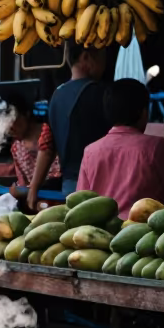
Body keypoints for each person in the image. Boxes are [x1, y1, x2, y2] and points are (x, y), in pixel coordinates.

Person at [77, 79, 164, 217]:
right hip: (145, 235)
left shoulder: (90, 151)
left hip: (100, 234)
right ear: (144, 113)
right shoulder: (157, 147)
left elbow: (81, 203)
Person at [28, 47, 110, 208]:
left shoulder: (56, 95)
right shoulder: (102, 93)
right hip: (102, 183)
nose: (105, 64)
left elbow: (46, 146)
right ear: (86, 57)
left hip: (70, 186)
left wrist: (34, 187)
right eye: (101, 57)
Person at [7, 102, 60, 201]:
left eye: (11, 120)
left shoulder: (50, 132)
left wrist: (32, 189)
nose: (9, 128)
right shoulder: (16, 147)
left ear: (26, 114)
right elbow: (23, 182)